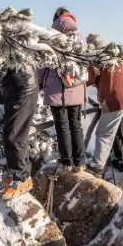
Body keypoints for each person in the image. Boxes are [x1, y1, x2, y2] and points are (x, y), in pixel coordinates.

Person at [0, 65, 39, 200]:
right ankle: (24, 177)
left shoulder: (0, 47)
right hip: (20, 91)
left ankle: (20, 180)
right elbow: (7, 77)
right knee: (17, 135)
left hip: (23, 92)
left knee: (13, 136)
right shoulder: (5, 47)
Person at [39, 13, 87, 172]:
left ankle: (66, 162)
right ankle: (79, 162)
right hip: (77, 87)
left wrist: (39, 83)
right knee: (76, 124)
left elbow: (43, 65)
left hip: (57, 90)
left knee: (62, 126)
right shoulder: (79, 38)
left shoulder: (52, 39)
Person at [85, 57, 123, 177]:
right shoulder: (122, 56)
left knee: (105, 134)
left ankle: (97, 166)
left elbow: (87, 80)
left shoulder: (97, 60)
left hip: (113, 100)